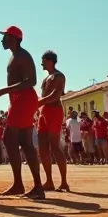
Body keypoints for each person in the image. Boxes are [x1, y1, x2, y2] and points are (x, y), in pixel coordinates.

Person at [0, 25, 44, 199]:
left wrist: (0, 92)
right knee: (24, 141)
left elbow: (32, 81)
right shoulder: (15, 56)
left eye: (5, 37)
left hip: (24, 99)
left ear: (14, 39)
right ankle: (24, 185)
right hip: (18, 100)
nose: (2, 40)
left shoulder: (23, 55)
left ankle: (31, 185)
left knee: (11, 138)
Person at [35, 51, 69, 192]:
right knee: (42, 147)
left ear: (50, 61)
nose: (41, 63)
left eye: (43, 60)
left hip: (54, 111)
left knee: (54, 145)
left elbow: (56, 95)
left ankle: (64, 182)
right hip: (43, 112)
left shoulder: (58, 76)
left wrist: (38, 102)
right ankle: (49, 180)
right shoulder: (46, 78)